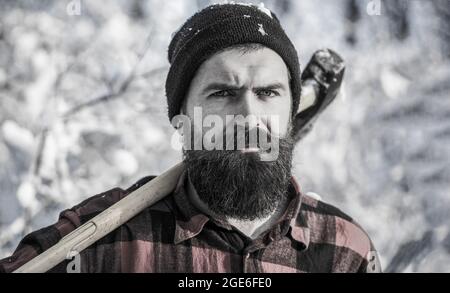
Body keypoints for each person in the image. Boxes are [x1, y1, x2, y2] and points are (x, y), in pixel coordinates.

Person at [0, 3, 381, 273]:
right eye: (223, 93)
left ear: (291, 112)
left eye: (268, 92)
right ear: (181, 119)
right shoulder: (103, 244)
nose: (249, 116)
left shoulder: (345, 251)